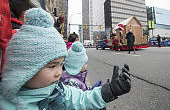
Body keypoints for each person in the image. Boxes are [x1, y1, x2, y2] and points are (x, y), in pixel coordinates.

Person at [0, 8, 131, 110]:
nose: (59, 72)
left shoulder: (58, 90)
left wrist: (110, 91)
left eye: (61, 65)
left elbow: (82, 98)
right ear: (24, 68)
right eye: (52, 66)